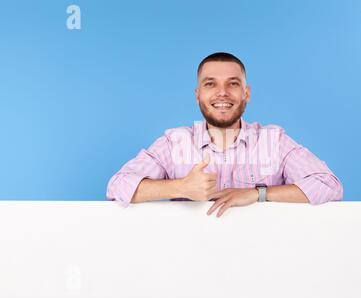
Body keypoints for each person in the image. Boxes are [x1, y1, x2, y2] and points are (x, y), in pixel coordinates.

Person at [106, 52, 343, 217]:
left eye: (233, 84)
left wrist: (257, 194)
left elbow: (328, 185)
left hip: (264, 264)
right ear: (198, 94)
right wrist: (181, 188)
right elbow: (118, 186)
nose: (222, 93)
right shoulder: (174, 142)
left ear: (246, 93)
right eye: (211, 84)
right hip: (188, 264)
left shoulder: (274, 140)